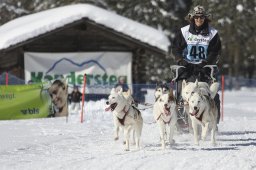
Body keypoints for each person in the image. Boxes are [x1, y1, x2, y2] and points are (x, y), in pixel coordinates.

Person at [171, 5, 221, 124]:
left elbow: (215, 51)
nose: (199, 20)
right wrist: (180, 60)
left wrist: (206, 62)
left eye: (201, 17)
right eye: (196, 17)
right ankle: (179, 119)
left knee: (211, 94)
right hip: (187, 66)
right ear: (192, 18)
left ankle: (213, 120)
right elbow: (176, 48)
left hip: (204, 67)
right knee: (180, 92)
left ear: (205, 18)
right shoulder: (184, 31)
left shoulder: (212, 33)